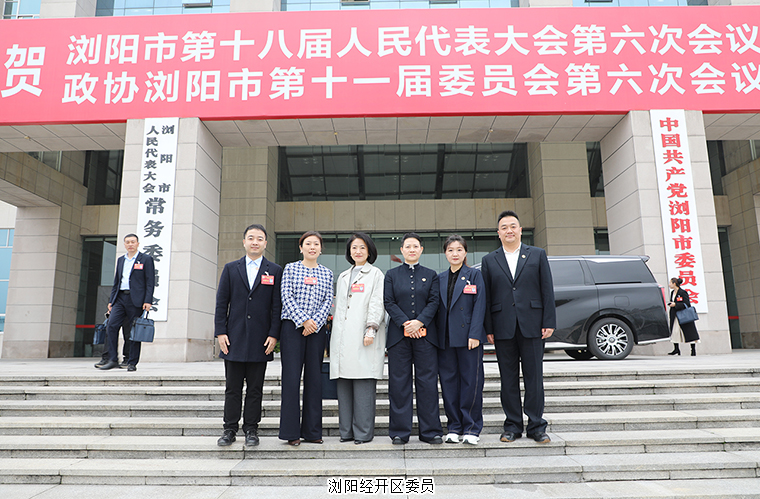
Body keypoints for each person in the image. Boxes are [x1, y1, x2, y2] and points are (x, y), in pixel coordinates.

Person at [481, 211, 556, 444]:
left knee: (534, 378)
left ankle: (536, 426)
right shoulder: (489, 260)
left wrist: (548, 321)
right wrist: (488, 328)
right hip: (502, 327)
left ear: (521, 230)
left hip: (533, 325)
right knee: (508, 379)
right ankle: (512, 425)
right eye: (504, 227)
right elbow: (486, 297)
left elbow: (547, 289)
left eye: (513, 226)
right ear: (498, 233)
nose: (509, 230)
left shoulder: (537, 254)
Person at [214, 224, 282, 447]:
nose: (255, 242)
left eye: (259, 239)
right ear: (244, 242)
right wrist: (220, 332)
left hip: (261, 340)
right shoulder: (231, 268)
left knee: (255, 388)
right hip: (233, 338)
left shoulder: (274, 270)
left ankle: (251, 429)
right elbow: (221, 303)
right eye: (251, 238)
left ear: (265, 243)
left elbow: (276, 306)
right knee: (232, 388)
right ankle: (229, 429)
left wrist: (274, 334)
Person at [384, 232, 443, 445]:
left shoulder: (431, 274)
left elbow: (434, 301)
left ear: (421, 250)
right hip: (399, 337)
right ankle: (400, 432)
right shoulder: (391, 274)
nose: (411, 249)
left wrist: (419, 322)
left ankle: (431, 431)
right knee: (399, 384)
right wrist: (406, 323)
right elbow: (388, 302)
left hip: (426, 337)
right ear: (401, 250)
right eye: (407, 246)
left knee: (427, 383)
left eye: (415, 246)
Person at [330, 233, 386, 445]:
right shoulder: (344, 276)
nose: (358, 251)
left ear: (369, 251)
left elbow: (377, 302)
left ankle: (362, 433)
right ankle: (346, 432)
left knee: (363, 386)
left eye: (362, 247)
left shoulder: (375, 274)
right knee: (344, 386)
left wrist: (371, 328)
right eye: (354, 247)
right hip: (343, 337)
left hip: (364, 337)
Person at [279, 231, 334, 446]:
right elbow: (286, 296)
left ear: (321, 249)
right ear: (301, 248)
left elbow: (328, 300)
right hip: (293, 328)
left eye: (316, 244)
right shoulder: (291, 268)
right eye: (308, 244)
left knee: (314, 379)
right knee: (291, 379)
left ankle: (312, 431)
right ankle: (291, 432)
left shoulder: (327, 273)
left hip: (316, 330)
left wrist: (314, 323)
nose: (312, 247)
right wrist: (303, 321)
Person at [435, 235, 486, 445]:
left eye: (459, 249)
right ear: (445, 253)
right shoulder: (439, 278)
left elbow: (480, 305)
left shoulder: (474, 275)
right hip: (445, 339)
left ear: (465, 252)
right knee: (448, 384)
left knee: (471, 383)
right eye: (450, 250)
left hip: (468, 339)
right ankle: (454, 426)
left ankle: (471, 428)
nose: (454, 254)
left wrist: (475, 334)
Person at [96, 233, 155, 372]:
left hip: (136, 300)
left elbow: (150, 281)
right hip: (120, 298)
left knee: (132, 332)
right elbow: (116, 282)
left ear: (138, 244)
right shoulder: (121, 260)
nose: (130, 244)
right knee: (111, 325)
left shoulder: (146, 259)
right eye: (127, 242)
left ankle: (132, 362)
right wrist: (111, 301)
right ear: (124, 244)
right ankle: (112, 359)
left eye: (133, 242)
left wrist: (148, 300)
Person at [667, 277, 700, 356]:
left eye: (670, 283)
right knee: (675, 332)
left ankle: (693, 350)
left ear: (674, 283)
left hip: (684, 315)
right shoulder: (672, 292)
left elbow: (687, 303)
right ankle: (676, 349)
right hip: (675, 315)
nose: (669, 284)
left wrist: (676, 304)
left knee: (689, 332)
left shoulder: (683, 292)